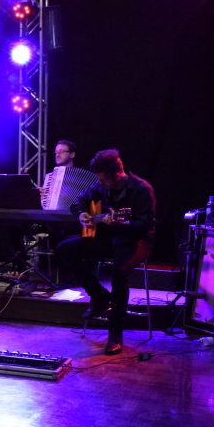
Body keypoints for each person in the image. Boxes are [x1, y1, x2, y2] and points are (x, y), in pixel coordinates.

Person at [56, 149, 156, 355]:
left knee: (119, 272)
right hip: (108, 240)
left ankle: (115, 334)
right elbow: (78, 202)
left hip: (135, 242)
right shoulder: (100, 186)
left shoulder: (141, 189)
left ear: (117, 175)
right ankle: (99, 295)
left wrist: (121, 223)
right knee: (65, 249)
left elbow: (145, 225)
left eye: (103, 180)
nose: (100, 183)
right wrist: (82, 214)